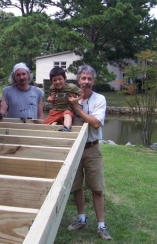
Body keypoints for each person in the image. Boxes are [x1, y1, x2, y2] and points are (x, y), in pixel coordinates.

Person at [67, 65, 112, 241]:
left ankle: (101, 226)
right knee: (76, 187)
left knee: (97, 188)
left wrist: (76, 108)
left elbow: (95, 123)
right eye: (83, 78)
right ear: (78, 80)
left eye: (89, 79)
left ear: (93, 81)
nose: (86, 82)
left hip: (92, 148)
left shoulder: (99, 99)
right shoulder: (71, 97)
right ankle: (81, 218)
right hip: (74, 149)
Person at [44, 66, 81, 131]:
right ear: (51, 81)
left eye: (60, 79)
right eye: (54, 80)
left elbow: (82, 94)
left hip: (67, 110)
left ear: (65, 78)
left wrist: (76, 99)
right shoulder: (52, 88)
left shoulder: (71, 87)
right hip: (55, 111)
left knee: (67, 114)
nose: (57, 82)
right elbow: (51, 97)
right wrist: (49, 99)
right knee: (45, 124)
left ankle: (66, 128)